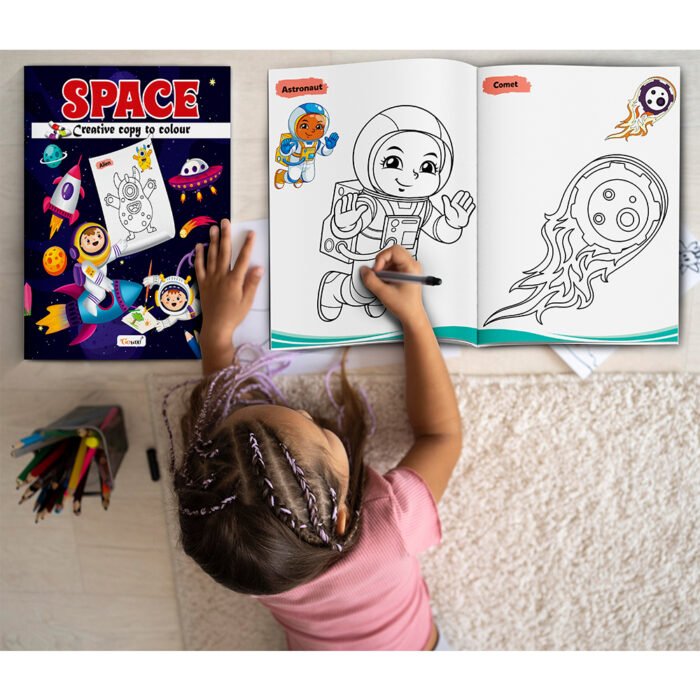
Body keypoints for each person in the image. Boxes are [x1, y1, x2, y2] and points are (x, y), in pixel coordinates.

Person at [165, 219, 462, 650]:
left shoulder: (248, 564)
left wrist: (216, 337)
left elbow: (229, 456)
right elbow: (441, 434)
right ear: (341, 518)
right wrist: (416, 318)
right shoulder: (390, 521)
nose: (304, 410)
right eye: (319, 430)